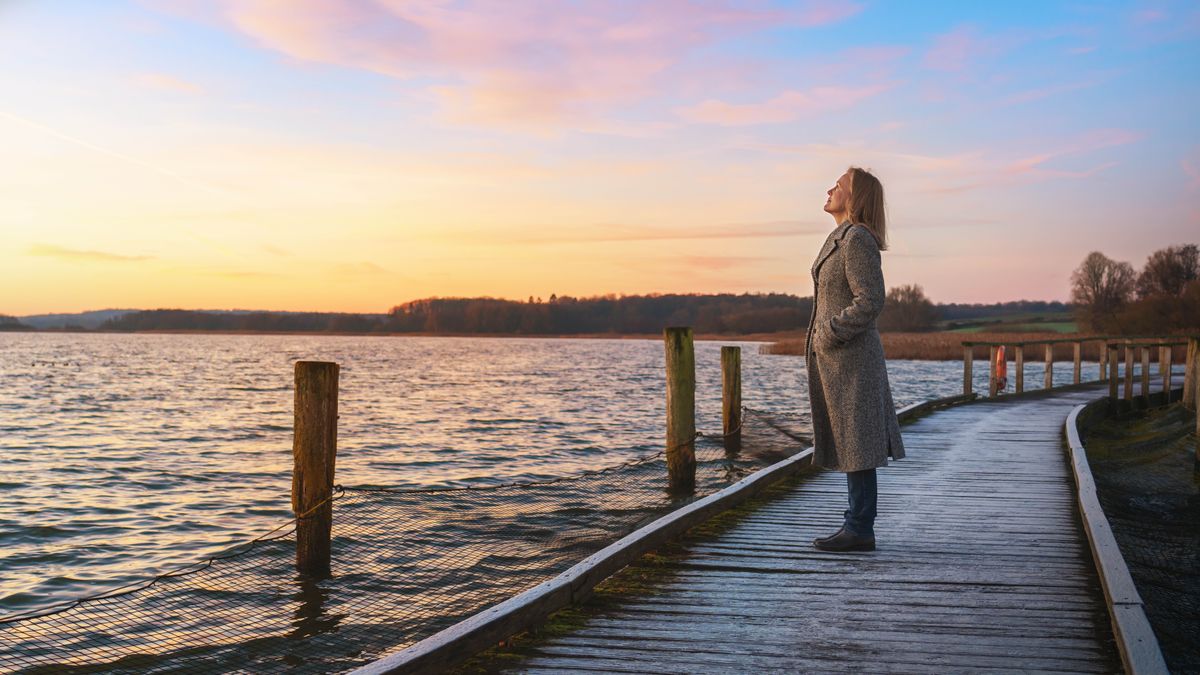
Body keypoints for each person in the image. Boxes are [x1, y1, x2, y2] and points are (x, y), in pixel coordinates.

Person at [806, 167, 905, 552]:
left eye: (839, 185)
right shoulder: (840, 237)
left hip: (853, 358)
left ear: (856, 197)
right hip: (840, 361)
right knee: (852, 442)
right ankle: (856, 524)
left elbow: (871, 300)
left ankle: (860, 528)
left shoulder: (857, 239)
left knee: (858, 443)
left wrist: (829, 332)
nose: (830, 189)